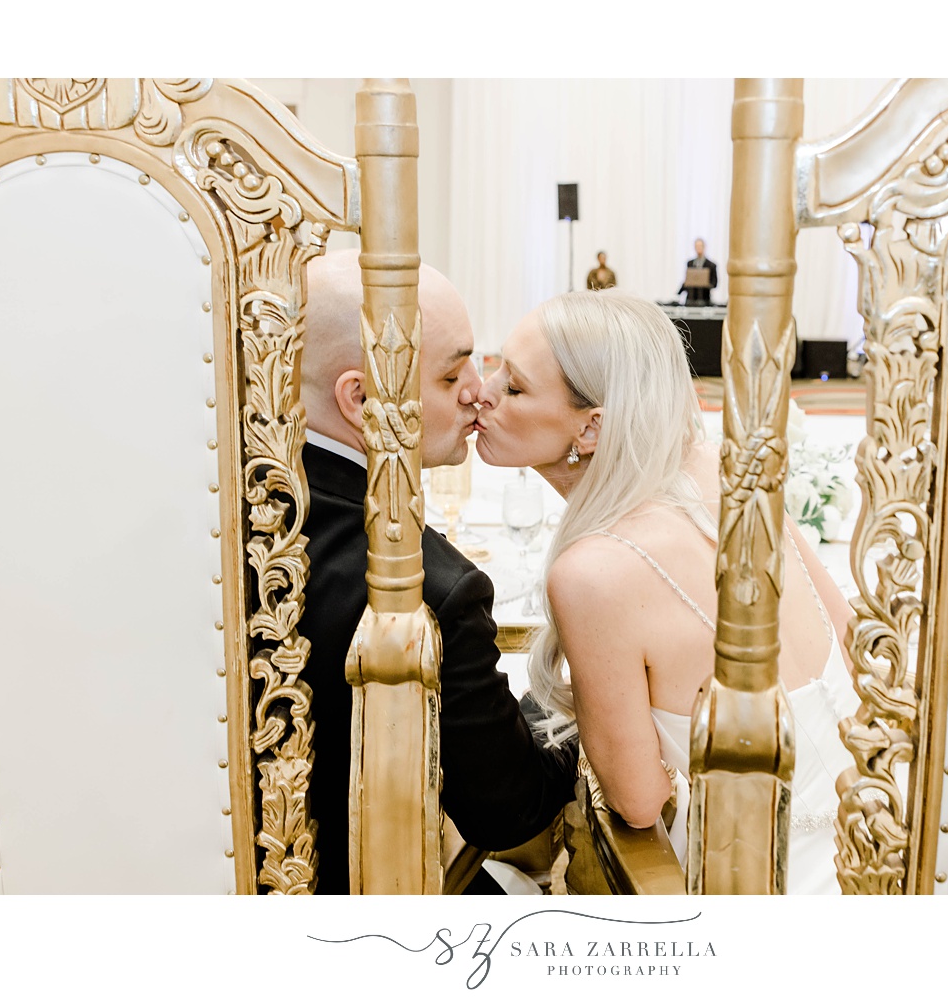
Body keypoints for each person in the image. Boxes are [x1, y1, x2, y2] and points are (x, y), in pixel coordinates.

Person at [472, 289, 858, 895]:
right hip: (872, 841)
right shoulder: (733, 473)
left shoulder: (591, 574)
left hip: (748, 881)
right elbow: (848, 635)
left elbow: (639, 802)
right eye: (493, 366)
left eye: (513, 388)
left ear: (591, 426)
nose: (481, 392)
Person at [296, 249, 578, 895]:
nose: (481, 392)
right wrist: (581, 709)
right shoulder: (429, 588)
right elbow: (508, 808)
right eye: (453, 378)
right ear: (363, 399)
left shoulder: (226, 512)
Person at [678, 238, 718, 306]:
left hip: (704, 299)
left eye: (700, 246)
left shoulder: (711, 265)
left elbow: (714, 283)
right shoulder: (690, 263)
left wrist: (705, 284)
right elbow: (687, 280)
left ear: (704, 247)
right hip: (690, 299)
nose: (698, 248)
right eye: (697, 246)